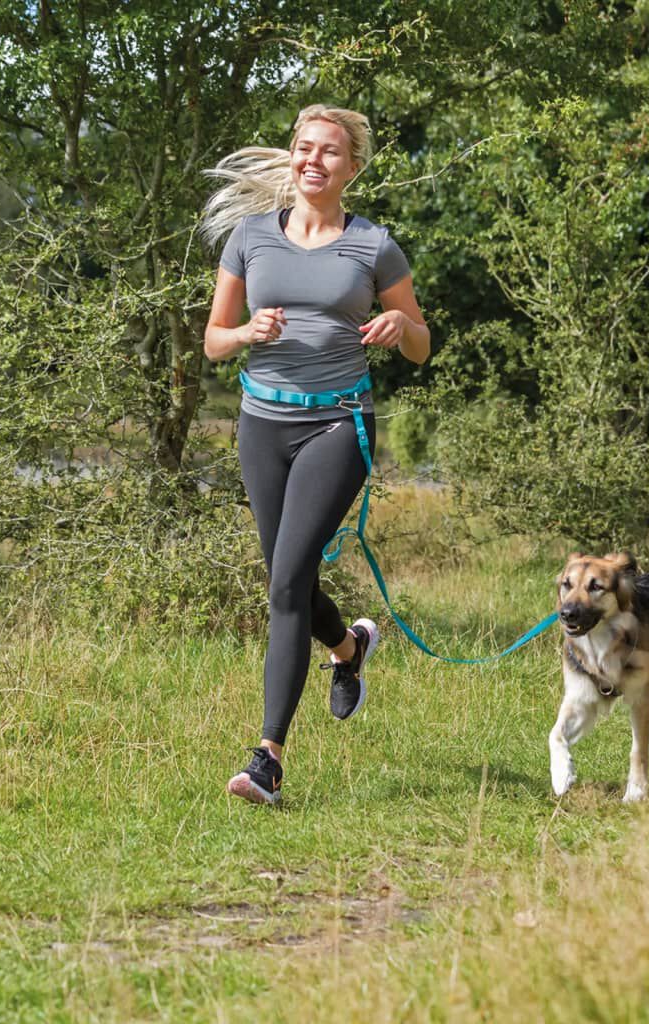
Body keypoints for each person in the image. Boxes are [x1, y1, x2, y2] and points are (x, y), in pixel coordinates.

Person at [202, 105, 430, 805]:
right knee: (288, 578)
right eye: (304, 148)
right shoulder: (249, 239)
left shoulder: (373, 247)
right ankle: (350, 649)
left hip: (338, 427)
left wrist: (400, 324)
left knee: (285, 582)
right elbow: (213, 339)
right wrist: (246, 333)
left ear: (351, 168)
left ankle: (267, 760)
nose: (312, 161)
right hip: (261, 425)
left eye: (329, 152)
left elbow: (421, 343)